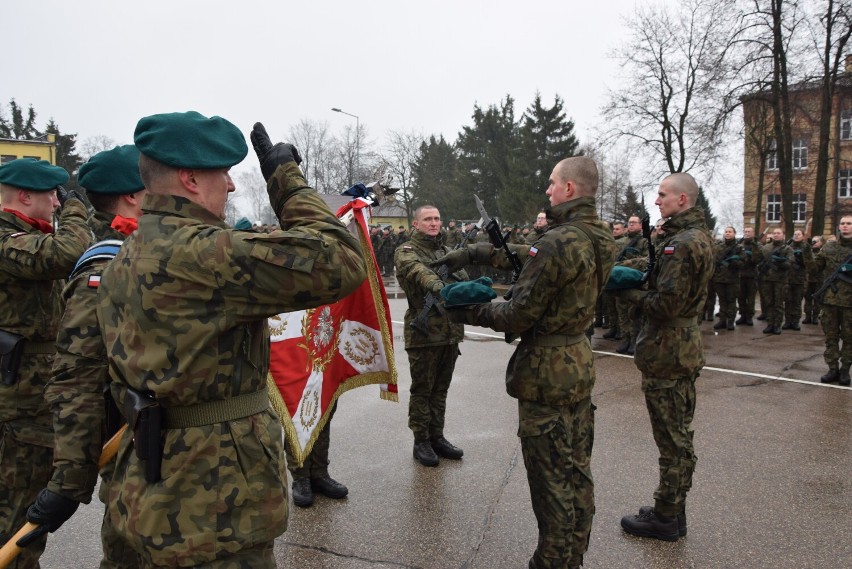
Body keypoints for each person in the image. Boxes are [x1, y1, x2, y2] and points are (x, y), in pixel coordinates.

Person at [95, 112, 366, 568]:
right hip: (214, 501)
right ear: (190, 179)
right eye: (223, 173)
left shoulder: (130, 250)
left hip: (147, 484)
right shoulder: (205, 253)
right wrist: (287, 181)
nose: (233, 186)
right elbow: (341, 260)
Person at [443, 156, 617, 569]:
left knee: (551, 482)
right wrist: (481, 251)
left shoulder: (558, 242)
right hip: (578, 362)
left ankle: (552, 561)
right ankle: (572, 555)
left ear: (570, 189)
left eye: (553, 183)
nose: (548, 190)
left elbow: (516, 315)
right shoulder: (600, 236)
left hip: (547, 375)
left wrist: (466, 308)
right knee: (577, 471)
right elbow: (534, 258)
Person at [19, 145, 148, 568]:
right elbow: (78, 375)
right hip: (127, 438)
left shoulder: (147, 246)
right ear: (133, 194)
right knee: (131, 546)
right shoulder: (106, 260)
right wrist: (70, 481)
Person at [0, 158, 92, 567]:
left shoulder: (21, 234)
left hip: (32, 397)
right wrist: (76, 208)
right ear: (24, 195)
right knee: (18, 509)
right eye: (52, 195)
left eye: (60, 197)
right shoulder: (5, 239)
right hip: (15, 405)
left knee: (27, 502)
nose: (56, 203)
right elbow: (66, 253)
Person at [618, 172, 714, 542]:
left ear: (683, 200)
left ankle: (667, 517)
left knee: (673, 440)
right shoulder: (692, 237)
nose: (657, 201)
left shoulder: (682, 245)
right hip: (680, 347)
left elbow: (665, 304)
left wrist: (626, 294)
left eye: (662, 195)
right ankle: (670, 508)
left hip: (669, 350)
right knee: (676, 435)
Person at [395, 205, 469, 467]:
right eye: (427, 219)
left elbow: (463, 277)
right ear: (415, 224)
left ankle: (437, 436)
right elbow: (417, 272)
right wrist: (439, 284)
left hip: (449, 331)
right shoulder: (406, 251)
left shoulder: (447, 252)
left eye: (437, 218)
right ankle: (421, 440)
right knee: (423, 389)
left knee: (441, 389)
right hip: (423, 330)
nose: (434, 223)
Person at [808, 216, 852, 385]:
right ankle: (832, 369)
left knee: (849, 338)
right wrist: (806, 252)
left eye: (849, 224)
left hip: (850, 303)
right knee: (831, 338)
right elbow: (814, 268)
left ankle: (845, 370)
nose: (845, 226)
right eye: (843, 224)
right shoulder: (829, 247)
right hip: (830, 301)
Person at [614, 215, 649, 353]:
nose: (631, 225)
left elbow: (647, 260)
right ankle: (625, 339)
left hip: (635, 282)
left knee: (634, 313)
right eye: (629, 222)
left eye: (634, 223)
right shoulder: (620, 242)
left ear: (641, 225)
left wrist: (627, 263)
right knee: (622, 313)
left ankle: (635, 340)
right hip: (620, 281)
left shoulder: (644, 242)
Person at [759, 227, 794, 334]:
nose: (776, 235)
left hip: (780, 280)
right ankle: (770, 324)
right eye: (774, 233)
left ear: (783, 235)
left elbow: (790, 263)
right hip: (767, 279)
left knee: (778, 304)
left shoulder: (787, 249)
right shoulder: (766, 248)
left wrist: (780, 263)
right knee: (768, 303)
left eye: (778, 233)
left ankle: (777, 325)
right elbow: (759, 260)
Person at [711, 226, 744, 331]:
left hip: (732, 279)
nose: (727, 233)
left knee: (731, 300)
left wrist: (734, 262)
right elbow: (714, 260)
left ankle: (730, 321)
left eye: (730, 232)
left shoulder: (738, 247)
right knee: (722, 300)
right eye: (726, 232)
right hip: (719, 278)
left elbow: (743, 262)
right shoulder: (718, 247)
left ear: (734, 233)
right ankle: (722, 320)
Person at [783, 229, 811, 330]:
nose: (796, 236)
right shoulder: (788, 246)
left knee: (797, 301)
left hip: (800, 279)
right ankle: (787, 321)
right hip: (788, 278)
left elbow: (809, 262)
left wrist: (801, 258)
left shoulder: (806, 247)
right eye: (795, 234)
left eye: (798, 234)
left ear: (803, 236)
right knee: (788, 301)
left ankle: (795, 321)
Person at [736, 226, 763, 326]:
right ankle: (742, 315)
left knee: (751, 297)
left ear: (753, 233)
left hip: (752, 275)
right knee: (741, 297)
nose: (747, 233)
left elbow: (758, 259)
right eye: (745, 231)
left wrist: (752, 253)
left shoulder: (757, 245)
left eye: (749, 231)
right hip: (740, 274)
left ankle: (749, 316)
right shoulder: (739, 244)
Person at [802, 236, 823, 324]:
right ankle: (807, 316)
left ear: (821, 243)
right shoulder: (808, 252)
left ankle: (815, 316)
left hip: (819, 279)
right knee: (807, 299)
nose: (814, 243)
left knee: (817, 300)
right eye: (813, 241)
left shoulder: (823, 253)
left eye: (816, 241)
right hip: (808, 279)